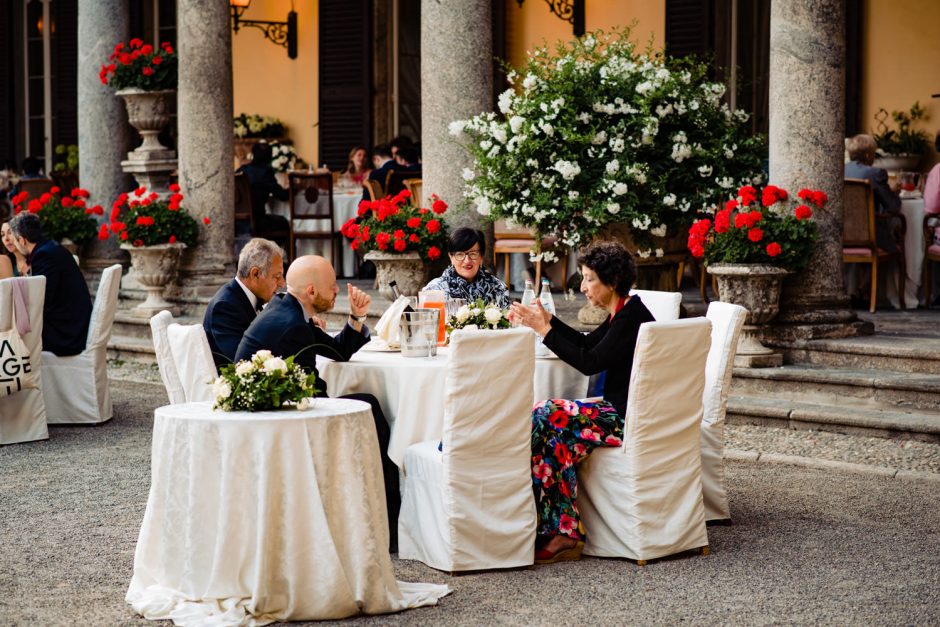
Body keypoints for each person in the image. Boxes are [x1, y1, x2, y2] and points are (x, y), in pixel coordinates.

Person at [235, 255, 400, 551]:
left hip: (273, 410)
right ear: (311, 291)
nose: (337, 290)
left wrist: (356, 318)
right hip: (278, 420)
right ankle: (391, 522)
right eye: (332, 286)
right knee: (371, 406)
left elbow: (335, 350)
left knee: (367, 403)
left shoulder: (287, 307)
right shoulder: (291, 323)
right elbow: (312, 395)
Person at [511, 241, 654, 564]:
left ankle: (547, 525)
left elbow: (589, 362)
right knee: (550, 426)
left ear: (612, 281)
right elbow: (589, 344)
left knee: (546, 413)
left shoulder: (632, 318)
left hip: (624, 417)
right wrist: (549, 322)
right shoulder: (626, 312)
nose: (583, 287)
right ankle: (557, 529)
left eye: (589, 279)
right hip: (619, 411)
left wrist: (544, 331)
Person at [8, 212, 92, 356]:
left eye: (15, 241)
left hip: (67, 334)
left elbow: (41, 302)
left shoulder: (44, 256)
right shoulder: (50, 248)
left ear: (22, 240)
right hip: (72, 326)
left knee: (12, 336)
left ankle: (21, 376)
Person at [203, 238, 285, 370]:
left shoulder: (247, 296)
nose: (282, 283)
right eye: (277, 276)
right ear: (255, 274)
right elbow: (244, 362)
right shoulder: (224, 307)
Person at [423, 227, 511, 308]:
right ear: (451, 257)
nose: (467, 260)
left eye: (473, 254)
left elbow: (508, 322)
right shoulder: (435, 289)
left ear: (481, 257)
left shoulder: (498, 287)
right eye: (460, 254)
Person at [844, 134, 902, 253]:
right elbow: (893, 207)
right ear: (867, 155)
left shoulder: (840, 170)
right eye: (874, 154)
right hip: (873, 237)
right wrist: (894, 192)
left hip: (842, 233)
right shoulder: (876, 173)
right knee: (899, 227)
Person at [236, 142, 291, 237]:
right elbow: (282, 196)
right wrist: (294, 189)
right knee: (284, 223)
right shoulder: (266, 173)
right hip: (257, 222)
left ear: (252, 155)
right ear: (270, 157)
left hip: (237, 222)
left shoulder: (241, 170)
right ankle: (277, 251)